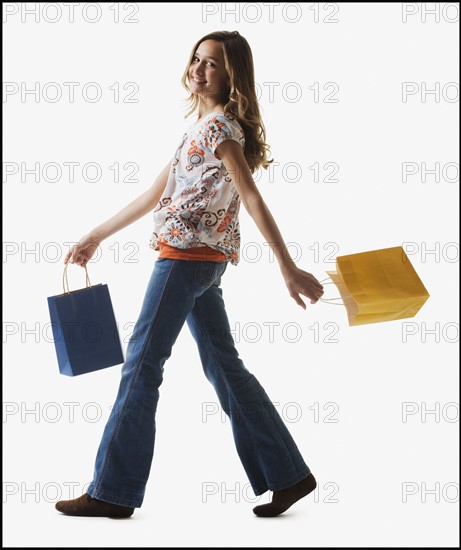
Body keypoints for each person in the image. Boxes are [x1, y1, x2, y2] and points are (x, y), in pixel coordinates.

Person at [55, 30, 324, 519]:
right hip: (203, 263)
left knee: (141, 365)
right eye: (197, 59)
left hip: (183, 261)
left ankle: (111, 492)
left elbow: (252, 197)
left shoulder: (221, 130)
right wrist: (97, 235)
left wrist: (287, 267)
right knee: (224, 366)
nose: (200, 70)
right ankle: (288, 474)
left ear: (232, 75)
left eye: (214, 64)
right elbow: (154, 194)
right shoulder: (200, 127)